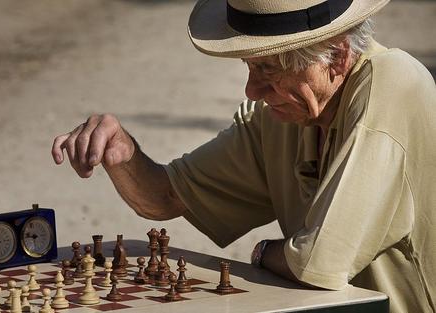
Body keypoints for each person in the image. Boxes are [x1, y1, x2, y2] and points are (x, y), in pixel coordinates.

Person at [51, 0, 436, 312]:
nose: (251, 89)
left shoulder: (393, 83)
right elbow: (164, 197)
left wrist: (262, 252)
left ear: (336, 57)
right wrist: (124, 153)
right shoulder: (280, 117)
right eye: (250, 66)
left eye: (268, 68)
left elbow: (318, 265)